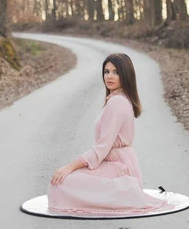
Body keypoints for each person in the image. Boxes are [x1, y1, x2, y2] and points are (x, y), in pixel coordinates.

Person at [47, 52, 173, 217]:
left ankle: (125, 192)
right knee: (61, 183)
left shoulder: (118, 102)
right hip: (115, 165)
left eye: (116, 72)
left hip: (120, 170)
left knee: (60, 184)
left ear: (125, 75)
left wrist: (70, 166)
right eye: (106, 71)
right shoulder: (116, 99)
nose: (110, 76)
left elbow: (102, 148)